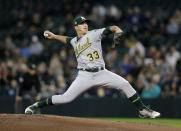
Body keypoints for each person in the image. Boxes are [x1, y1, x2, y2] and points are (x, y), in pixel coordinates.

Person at [25, 16, 160, 118]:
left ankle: (142, 110)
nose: (85, 25)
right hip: (85, 76)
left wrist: (117, 30)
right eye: (82, 24)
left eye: (86, 23)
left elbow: (111, 29)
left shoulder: (94, 34)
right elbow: (67, 39)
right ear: (76, 27)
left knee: (125, 84)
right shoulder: (74, 41)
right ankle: (36, 105)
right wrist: (54, 36)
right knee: (66, 98)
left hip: (102, 73)